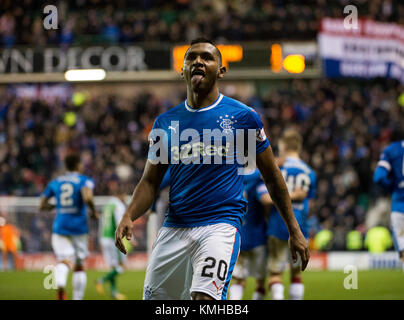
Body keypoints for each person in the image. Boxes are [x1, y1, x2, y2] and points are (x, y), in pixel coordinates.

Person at [115, 38, 310, 300]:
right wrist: (129, 214)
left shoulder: (242, 117)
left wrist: (294, 230)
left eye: (206, 57)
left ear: (221, 70)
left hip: (220, 225)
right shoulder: (166, 122)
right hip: (175, 227)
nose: (198, 61)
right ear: (181, 70)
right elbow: (150, 182)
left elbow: (273, 177)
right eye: (191, 57)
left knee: (204, 300)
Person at [266, 129, 316, 300]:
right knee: (296, 274)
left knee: (275, 273)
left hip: (277, 223)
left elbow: (268, 195)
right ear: (299, 146)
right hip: (300, 226)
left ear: (284, 145)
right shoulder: (309, 172)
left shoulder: (277, 167)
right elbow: (311, 205)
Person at [39, 153, 98, 300]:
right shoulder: (84, 180)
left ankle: (60, 288)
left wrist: (56, 205)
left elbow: (42, 205)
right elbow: (87, 197)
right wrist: (93, 211)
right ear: (78, 165)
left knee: (64, 260)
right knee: (79, 266)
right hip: (79, 227)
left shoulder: (56, 182)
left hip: (60, 226)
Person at [229, 168, 269, 300]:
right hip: (258, 236)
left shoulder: (231, 180)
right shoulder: (258, 182)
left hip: (238, 236)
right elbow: (266, 200)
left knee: (238, 279)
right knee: (260, 280)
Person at [373, 134, 404, 271]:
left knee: (403, 251)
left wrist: (392, 186)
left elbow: (378, 177)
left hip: (399, 206)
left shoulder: (392, 150)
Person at [96, 181, 128, 300]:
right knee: (122, 266)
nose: (125, 198)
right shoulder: (118, 205)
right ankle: (101, 280)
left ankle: (114, 292)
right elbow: (120, 223)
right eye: (125, 195)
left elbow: (101, 223)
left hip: (104, 238)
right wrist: (129, 238)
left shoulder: (107, 205)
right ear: (121, 195)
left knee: (113, 266)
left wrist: (99, 239)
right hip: (113, 239)